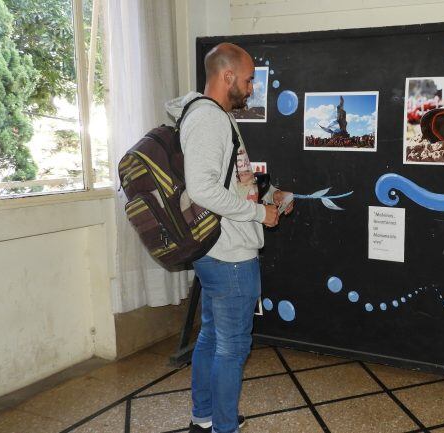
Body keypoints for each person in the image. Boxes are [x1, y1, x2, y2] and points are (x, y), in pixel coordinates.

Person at [165, 42, 294, 433]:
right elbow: (203, 190)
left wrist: (269, 195)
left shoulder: (214, 117)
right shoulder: (209, 120)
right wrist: (260, 213)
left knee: (213, 337)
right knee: (232, 346)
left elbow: (232, 181)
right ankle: (223, 427)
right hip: (230, 254)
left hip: (217, 249)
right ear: (227, 76)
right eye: (249, 79)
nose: (252, 87)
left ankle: (205, 417)